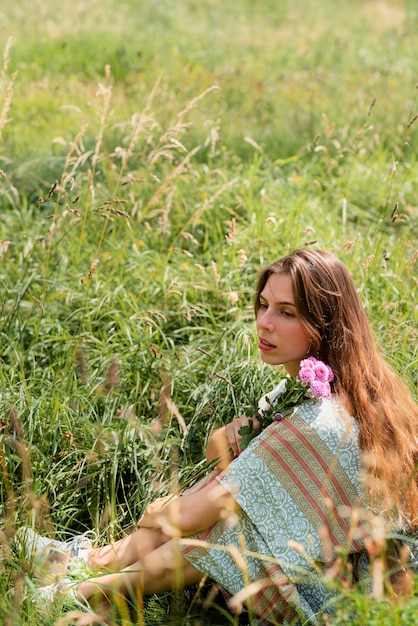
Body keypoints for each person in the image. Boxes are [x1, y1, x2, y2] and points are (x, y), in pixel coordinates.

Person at [17, 249, 418, 625]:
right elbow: (218, 455)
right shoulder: (316, 387)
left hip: (350, 599)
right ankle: (92, 579)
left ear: (324, 323)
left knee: (234, 528)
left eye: (287, 312)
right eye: (263, 305)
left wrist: (163, 508)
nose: (264, 321)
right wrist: (237, 438)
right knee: (235, 506)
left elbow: (198, 513)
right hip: (319, 564)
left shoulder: (319, 418)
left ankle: (76, 587)